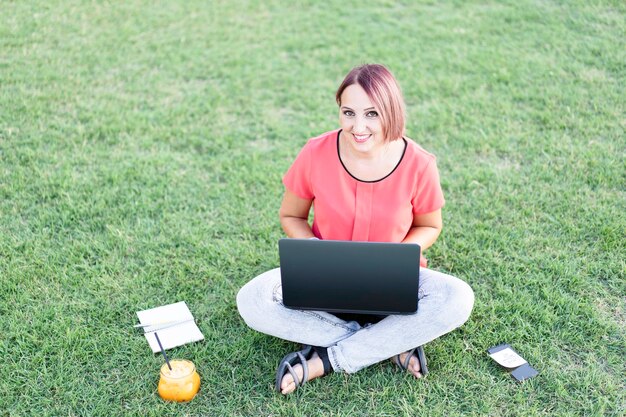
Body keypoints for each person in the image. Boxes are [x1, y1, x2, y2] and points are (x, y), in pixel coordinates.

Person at [237, 64, 474, 395]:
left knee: (458, 298)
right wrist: (315, 253)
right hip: (323, 281)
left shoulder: (419, 163)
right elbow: (292, 216)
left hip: (393, 284)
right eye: (348, 112)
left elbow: (429, 225)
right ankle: (390, 341)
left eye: (372, 114)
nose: (358, 126)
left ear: (390, 112)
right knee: (254, 299)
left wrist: (400, 256)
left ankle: (327, 359)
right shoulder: (315, 152)